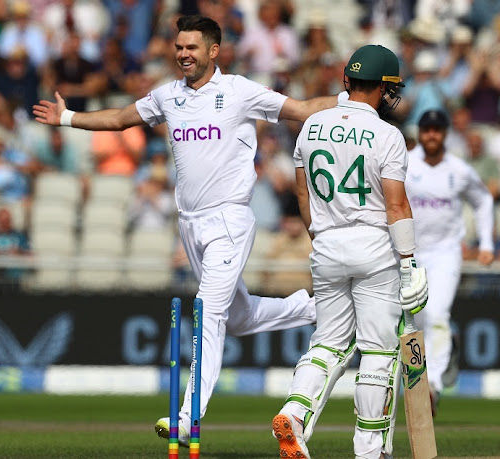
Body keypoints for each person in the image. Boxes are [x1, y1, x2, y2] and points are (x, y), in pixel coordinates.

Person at [33, 14, 338, 448]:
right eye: (178, 47)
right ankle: (317, 309)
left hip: (229, 219)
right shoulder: (168, 96)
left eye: (191, 47)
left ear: (214, 51)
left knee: (206, 312)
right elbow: (120, 119)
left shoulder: (238, 91)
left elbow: (303, 110)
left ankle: (186, 414)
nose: (182, 54)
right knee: (236, 317)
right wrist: (68, 119)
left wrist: (354, 101)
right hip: (190, 224)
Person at [272, 45, 427, 459]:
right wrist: (409, 262)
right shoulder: (387, 134)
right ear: (380, 87)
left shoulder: (311, 126)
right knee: (378, 351)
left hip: (325, 244)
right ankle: (370, 449)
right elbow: (397, 205)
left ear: (347, 81)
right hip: (374, 246)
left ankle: (295, 413)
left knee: (328, 344)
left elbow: (302, 191)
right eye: (389, 87)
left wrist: (321, 237)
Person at [405, 109, 495, 414]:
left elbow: (483, 200)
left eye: (437, 129)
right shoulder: (403, 163)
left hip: (445, 253)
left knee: (438, 315)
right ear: (420, 132)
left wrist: (486, 243)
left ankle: (433, 387)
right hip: (409, 253)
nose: (432, 134)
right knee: (411, 322)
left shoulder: (459, 169)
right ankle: (421, 376)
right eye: (427, 129)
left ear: (445, 133)